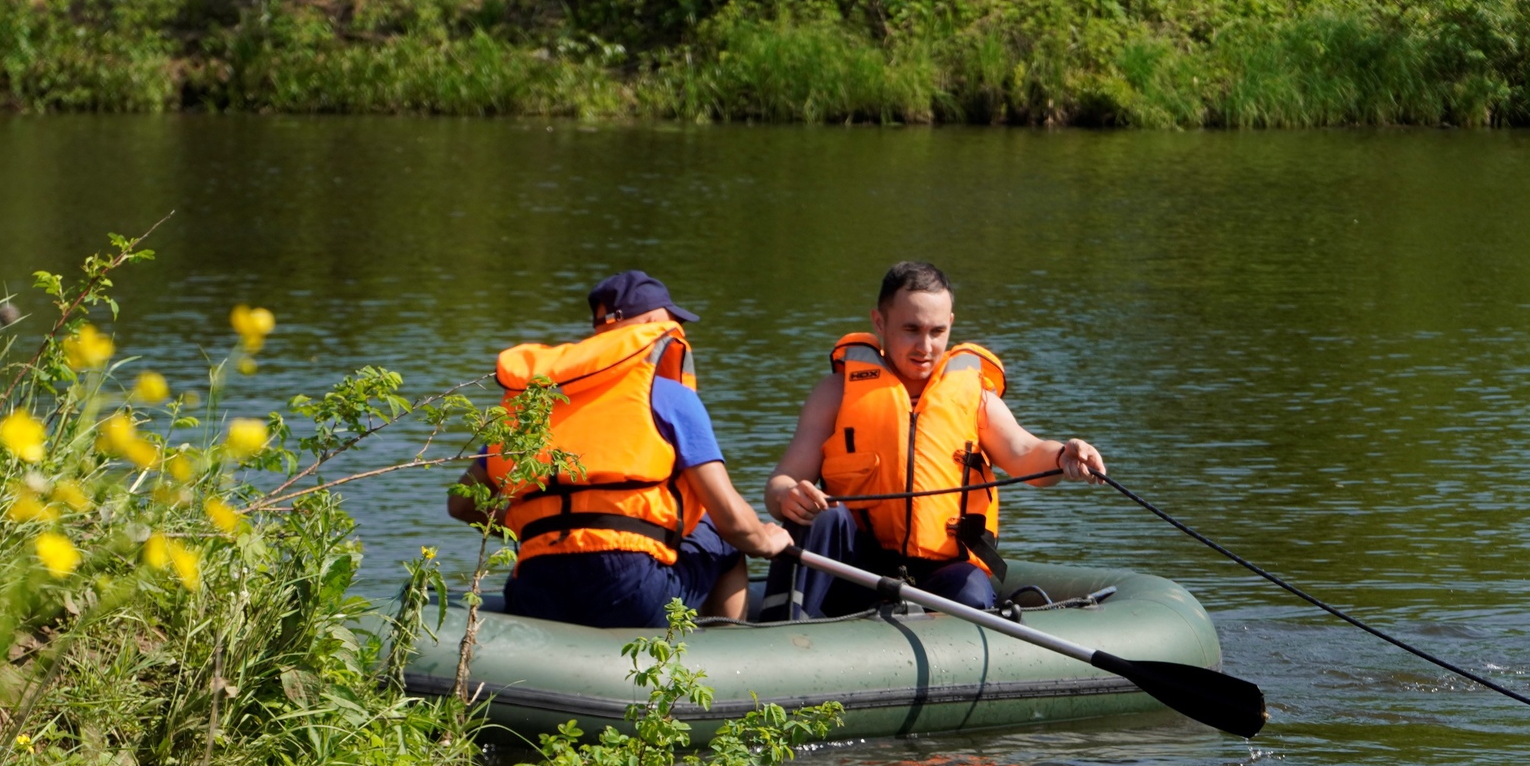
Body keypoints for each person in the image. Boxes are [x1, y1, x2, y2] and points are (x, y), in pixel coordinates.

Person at [760, 261, 1108, 620]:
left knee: (972, 589)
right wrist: (789, 494)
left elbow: (1026, 453)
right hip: (855, 569)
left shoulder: (974, 397)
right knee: (822, 518)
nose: (924, 346)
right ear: (879, 323)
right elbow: (779, 483)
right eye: (911, 329)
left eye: (936, 331)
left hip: (942, 573)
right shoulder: (835, 393)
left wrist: (1065, 455)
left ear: (951, 326)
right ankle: (784, 639)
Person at [448, 269, 792, 628]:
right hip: (631, 590)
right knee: (722, 537)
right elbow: (734, 523)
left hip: (536, 589)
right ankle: (727, 656)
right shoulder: (668, 396)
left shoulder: (535, 403)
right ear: (652, 321)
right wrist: (766, 542)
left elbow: (462, 503)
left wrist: (536, 527)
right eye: (672, 317)